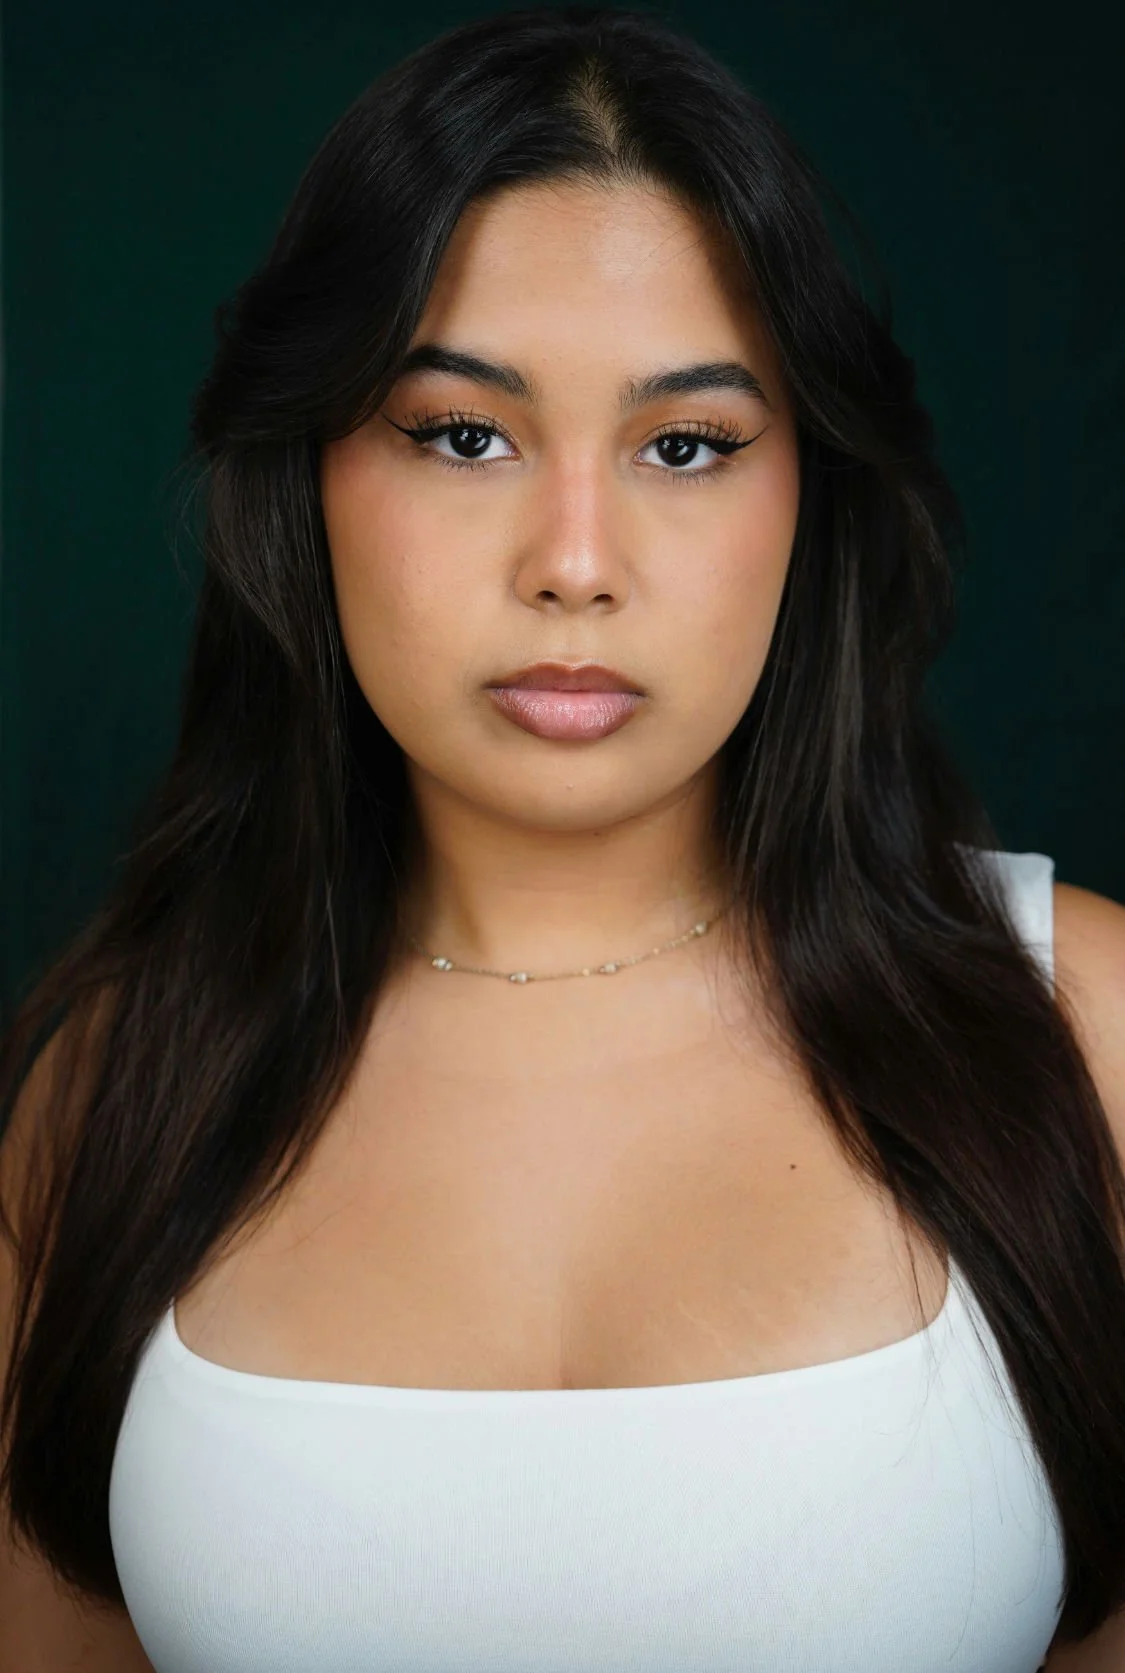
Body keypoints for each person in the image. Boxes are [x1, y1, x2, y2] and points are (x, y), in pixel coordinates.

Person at [2, 7, 1124, 1670]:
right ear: (306, 477)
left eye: (687, 445)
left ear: (807, 496)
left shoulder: (1089, 1036)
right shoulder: (114, 1094)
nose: (576, 563)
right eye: (464, 434)